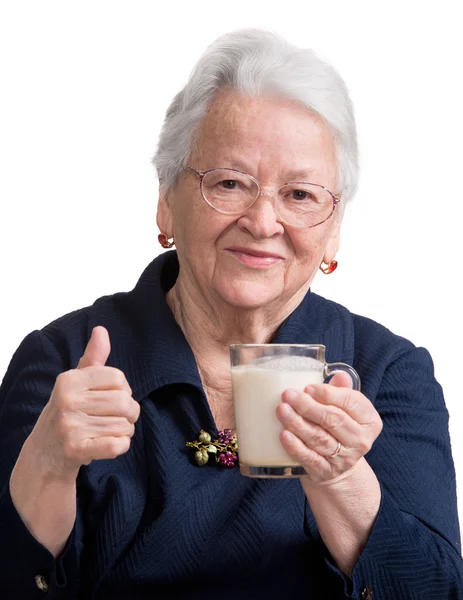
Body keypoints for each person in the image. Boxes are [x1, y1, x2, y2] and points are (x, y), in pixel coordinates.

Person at [0, 28, 462, 600]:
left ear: (334, 230)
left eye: (300, 195)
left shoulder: (389, 371)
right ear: (166, 198)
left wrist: (342, 480)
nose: (264, 221)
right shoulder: (62, 361)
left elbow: (439, 592)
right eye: (230, 183)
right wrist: (46, 465)